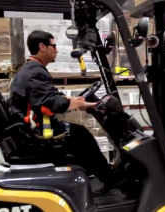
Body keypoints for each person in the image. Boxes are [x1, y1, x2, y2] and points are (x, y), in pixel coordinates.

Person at [9, 30, 114, 190]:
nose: (57, 50)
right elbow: (48, 103)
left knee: (79, 134)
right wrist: (76, 104)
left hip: (32, 129)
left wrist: (77, 101)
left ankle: (96, 177)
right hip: (36, 133)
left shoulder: (31, 70)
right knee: (81, 135)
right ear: (42, 47)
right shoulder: (34, 72)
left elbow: (50, 96)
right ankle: (110, 180)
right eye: (54, 45)